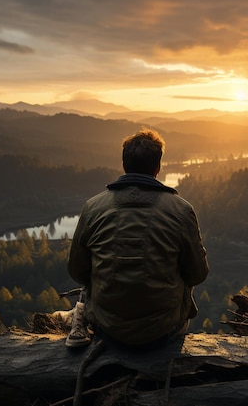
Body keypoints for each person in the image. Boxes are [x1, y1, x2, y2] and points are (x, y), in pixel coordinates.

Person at [65, 128, 209, 349]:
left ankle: (80, 317)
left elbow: (77, 270)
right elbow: (198, 274)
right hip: (164, 330)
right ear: (157, 168)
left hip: (107, 327)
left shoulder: (93, 207)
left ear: (124, 165)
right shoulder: (181, 210)